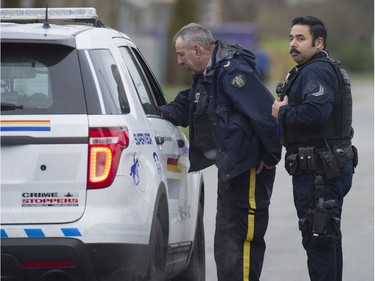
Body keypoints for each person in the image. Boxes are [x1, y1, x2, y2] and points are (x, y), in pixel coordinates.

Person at [159, 23, 281, 281]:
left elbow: (266, 115)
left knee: (242, 240)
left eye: (181, 54)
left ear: (197, 49)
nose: (179, 61)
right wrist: (157, 113)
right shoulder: (208, 76)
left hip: (248, 170)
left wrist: (270, 158)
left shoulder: (232, 72)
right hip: (230, 169)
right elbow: (189, 104)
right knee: (225, 241)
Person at [272, 16, 357, 281]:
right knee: (327, 236)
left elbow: (316, 113)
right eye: (291, 38)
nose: (293, 44)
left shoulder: (316, 70)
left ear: (318, 42)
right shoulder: (318, 67)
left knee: (319, 238)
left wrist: (282, 113)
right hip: (326, 169)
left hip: (319, 174)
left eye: (300, 38)